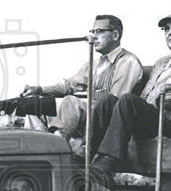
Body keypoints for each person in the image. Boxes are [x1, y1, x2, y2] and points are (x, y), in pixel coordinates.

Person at [90, 8, 171, 186]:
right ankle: (87, 161)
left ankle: (107, 164)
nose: (170, 33)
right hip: (156, 120)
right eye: (166, 29)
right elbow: (145, 96)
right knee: (107, 101)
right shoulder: (161, 62)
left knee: (127, 101)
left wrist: (170, 83)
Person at [21, 14, 141, 154]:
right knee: (35, 106)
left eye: (100, 31)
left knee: (72, 102)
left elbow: (114, 102)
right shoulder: (94, 64)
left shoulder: (128, 61)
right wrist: (39, 89)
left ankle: (55, 148)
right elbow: (70, 85)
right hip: (88, 117)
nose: (94, 36)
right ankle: (32, 154)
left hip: (105, 121)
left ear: (115, 35)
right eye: (93, 32)